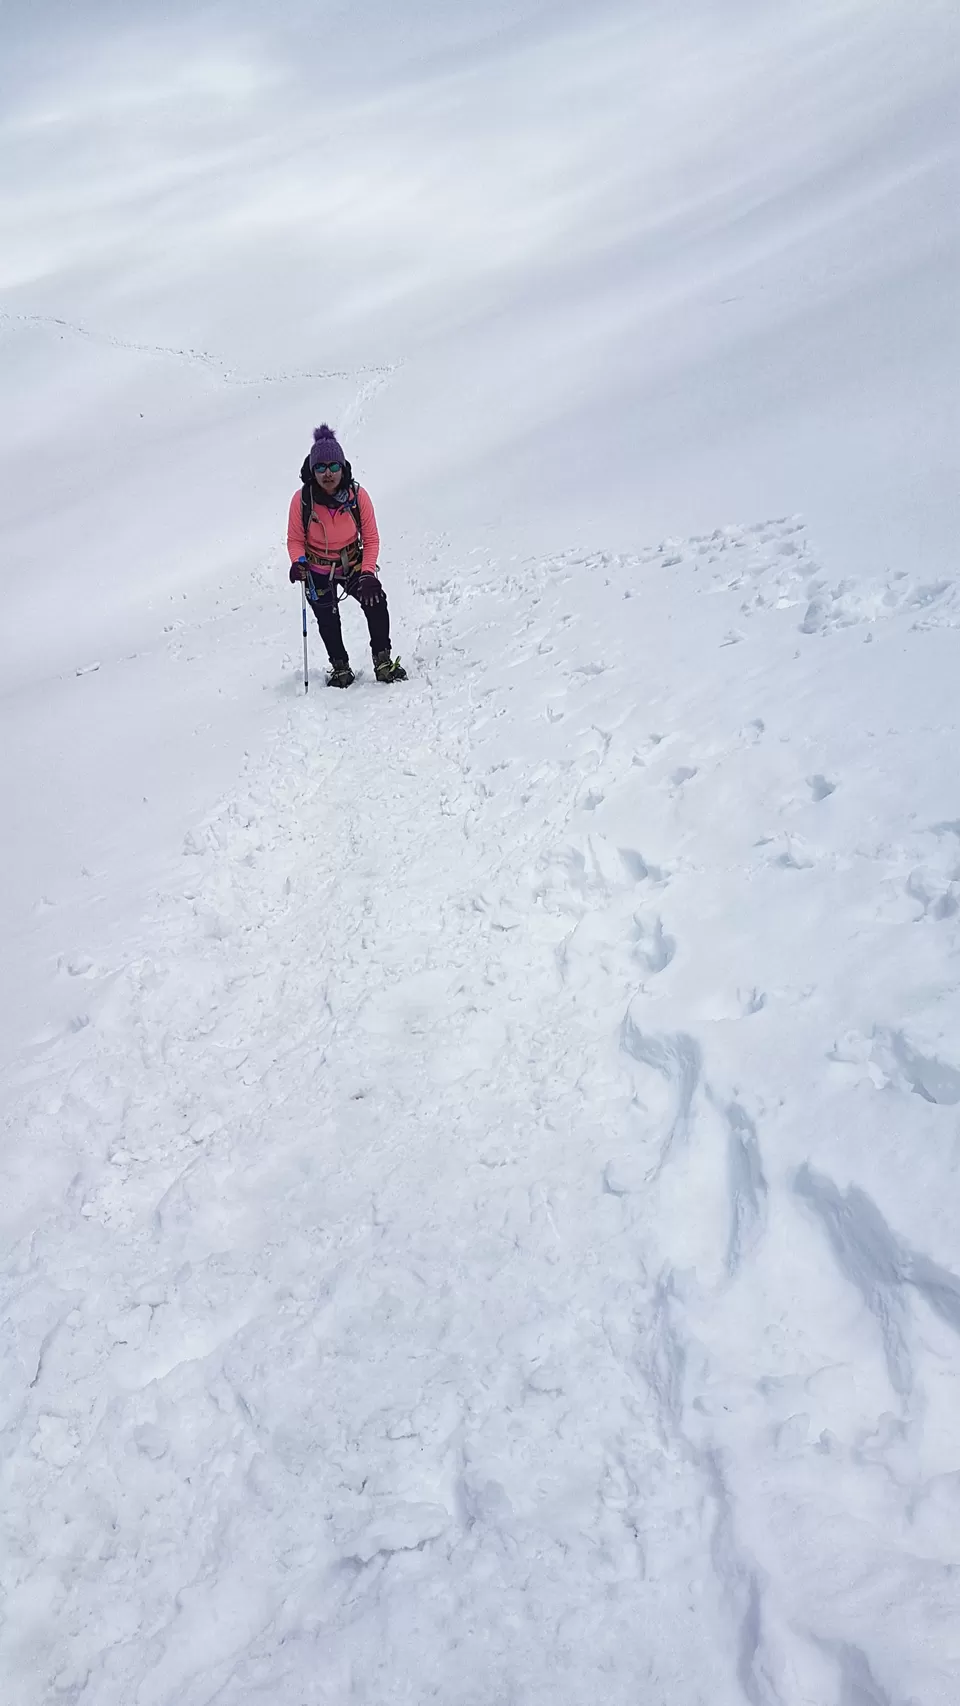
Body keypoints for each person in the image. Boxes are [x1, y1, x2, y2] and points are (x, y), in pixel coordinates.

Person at [287, 425, 406, 687]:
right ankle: (340, 666)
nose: (327, 473)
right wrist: (298, 562)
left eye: (333, 466)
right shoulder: (302, 500)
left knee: (375, 602)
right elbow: (295, 540)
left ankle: (382, 660)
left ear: (342, 467)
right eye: (320, 467)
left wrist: (367, 573)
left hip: (351, 563)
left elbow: (371, 538)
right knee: (327, 618)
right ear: (312, 469)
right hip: (316, 568)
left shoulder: (357, 496)